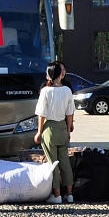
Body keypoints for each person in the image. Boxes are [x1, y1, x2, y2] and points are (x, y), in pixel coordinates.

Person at [34, 61, 75, 204]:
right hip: (63, 126)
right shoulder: (67, 90)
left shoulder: (45, 91)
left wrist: (39, 132)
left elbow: (41, 113)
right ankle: (69, 194)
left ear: (50, 74)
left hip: (49, 128)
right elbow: (70, 113)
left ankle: (57, 195)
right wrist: (69, 128)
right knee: (65, 162)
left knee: (53, 162)